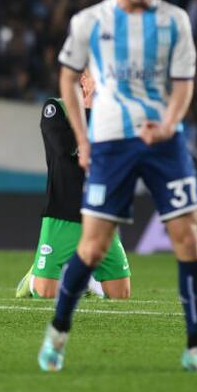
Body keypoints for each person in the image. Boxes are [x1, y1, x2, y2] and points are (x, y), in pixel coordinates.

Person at [37, 0, 197, 374]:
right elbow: (68, 81)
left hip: (163, 140)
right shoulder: (90, 21)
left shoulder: (175, 21)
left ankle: (195, 347)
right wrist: (82, 140)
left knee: (188, 236)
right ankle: (58, 334)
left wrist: (171, 121)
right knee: (94, 244)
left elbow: (184, 84)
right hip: (111, 141)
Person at [16, 70, 131, 300]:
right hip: (62, 213)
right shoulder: (56, 109)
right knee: (45, 293)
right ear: (83, 80)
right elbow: (63, 146)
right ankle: (32, 280)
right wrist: (89, 109)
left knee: (121, 295)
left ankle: (86, 281)